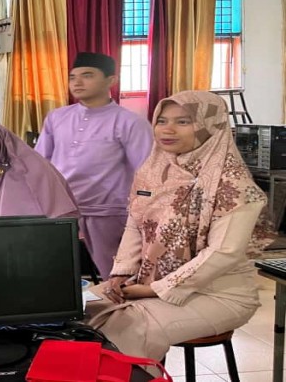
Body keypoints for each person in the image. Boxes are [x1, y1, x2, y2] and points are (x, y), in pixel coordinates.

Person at [85, 91, 275, 363]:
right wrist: (121, 274)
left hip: (218, 294)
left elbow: (224, 252)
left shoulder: (234, 185)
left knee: (127, 328)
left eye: (183, 121)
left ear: (210, 126)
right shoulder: (152, 172)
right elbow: (136, 224)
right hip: (146, 282)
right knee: (80, 310)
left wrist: (156, 289)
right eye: (162, 121)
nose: (168, 129)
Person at [35, 52, 153, 279]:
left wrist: (144, 213)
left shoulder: (130, 122)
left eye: (87, 75)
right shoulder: (57, 117)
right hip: (61, 209)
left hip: (108, 211)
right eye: (72, 77)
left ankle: (117, 302)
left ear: (111, 80)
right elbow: (41, 162)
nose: (77, 82)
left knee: (115, 274)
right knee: (56, 272)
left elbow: (147, 170)